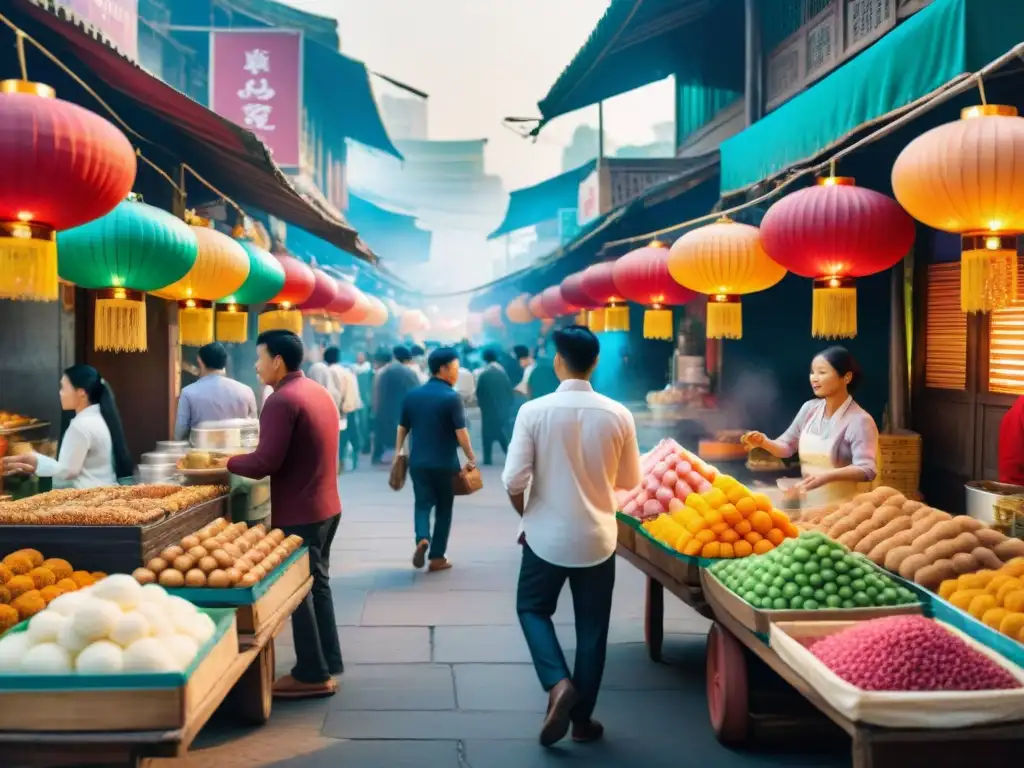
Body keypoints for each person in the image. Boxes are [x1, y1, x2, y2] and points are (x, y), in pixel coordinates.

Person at [502, 326, 641, 747]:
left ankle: (557, 683)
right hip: (598, 537)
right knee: (593, 629)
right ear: (595, 362)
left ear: (557, 361)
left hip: (545, 536)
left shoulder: (534, 411)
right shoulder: (618, 413)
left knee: (531, 608)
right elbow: (630, 479)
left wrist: (526, 514)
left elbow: (513, 479)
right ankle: (582, 723)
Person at [227, 331, 344, 700]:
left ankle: (313, 673)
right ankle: (328, 659)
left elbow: (265, 462)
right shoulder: (316, 390)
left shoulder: (281, 400)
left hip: (301, 510)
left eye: (260, 358)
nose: (256, 365)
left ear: (278, 360)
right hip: (327, 505)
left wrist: (224, 462)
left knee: (300, 590)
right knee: (317, 584)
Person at [743, 346, 878, 507]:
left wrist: (826, 476)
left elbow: (867, 470)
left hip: (843, 510)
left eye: (822, 372)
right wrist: (764, 442)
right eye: (812, 372)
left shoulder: (860, 420)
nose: (814, 378)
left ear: (847, 377)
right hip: (808, 506)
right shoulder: (809, 409)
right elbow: (786, 447)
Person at [394, 347, 477, 572]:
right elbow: (461, 433)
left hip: (418, 463)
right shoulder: (452, 398)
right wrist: (471, 457)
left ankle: (422, 538)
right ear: (443, 369)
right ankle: (437, 557)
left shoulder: (413, 395)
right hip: (445, 464)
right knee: (443, 509)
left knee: (422, 504)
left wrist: (398, 453)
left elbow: (402, 428)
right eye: (455, 368)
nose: (457, 373)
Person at [2, 365, 134, 488]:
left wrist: (37, 462)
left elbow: (67, 472)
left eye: (64, 388)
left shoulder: (81, 425)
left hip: (87, 501)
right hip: (103, 494)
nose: (60, 393)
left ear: (81, 392)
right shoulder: (99, 417)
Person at [173, 343, 258, 441]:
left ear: (200, 362)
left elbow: (179, 433)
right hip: (237, 454)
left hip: (201, 454)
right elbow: (253, 431)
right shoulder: (246, 391)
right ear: (225, 363)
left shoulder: (188, 393)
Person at [372, 346, 421, 465]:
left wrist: (376, 409)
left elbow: (379, 393)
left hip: (389, 410)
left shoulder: (385, 372)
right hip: (407, 410)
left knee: (391, 436)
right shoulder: (411, 373)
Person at [324, 347, 363, 470]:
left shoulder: (326, 372)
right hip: (347, 410)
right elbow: (353, 393)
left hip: (332, 411)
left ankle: (336, 463)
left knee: (334, 439)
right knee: (347, 437)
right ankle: (347, 461)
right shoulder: (347, 372)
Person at [476, 348, 514, 465]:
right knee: (502, 433)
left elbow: (479, 393)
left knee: (487, 436)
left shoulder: (483, 374)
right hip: (502, 409)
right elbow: (509, 392)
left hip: (488, 409)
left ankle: (488, 459)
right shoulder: (502, 373)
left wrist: (482, 406)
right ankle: (511, 457)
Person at [352, 350, 374, 455]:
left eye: (361, 355)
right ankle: (359, 445)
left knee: (364, 424)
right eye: (358, 355)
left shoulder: (369, 370)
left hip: (366, 400)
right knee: (357, 424)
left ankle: (366, 445)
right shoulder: (353, 370)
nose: (359, 357)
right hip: (355, 399)